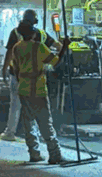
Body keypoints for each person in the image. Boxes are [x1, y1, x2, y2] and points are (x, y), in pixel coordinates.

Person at [5, 14, 64, 164]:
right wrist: (66, 46)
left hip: (23, 90)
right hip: (38, 90)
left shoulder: (17, 48)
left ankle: (34, 153)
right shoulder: (39, 47)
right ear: (32, 33)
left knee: (29, 124)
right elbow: (56, 62)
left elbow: (15, 69)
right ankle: (55, 154)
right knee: (45, 123)